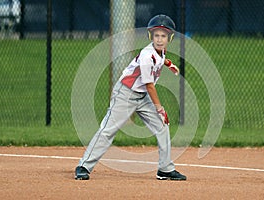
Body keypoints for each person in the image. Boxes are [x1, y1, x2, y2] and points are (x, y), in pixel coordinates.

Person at [75, 14, 186, 181]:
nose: (159, 39)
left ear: (169, 38)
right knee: (108, 130)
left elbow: (160, 59)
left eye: (163, 35)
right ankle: (84, 166)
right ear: (151, 36)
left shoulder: (160, 51)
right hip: (125, 94)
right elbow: (149, 86)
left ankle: (165, 169)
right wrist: (160, 108)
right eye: (156, 35)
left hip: (141, 96)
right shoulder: (147, 55)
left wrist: (169, 64)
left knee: (162, 126)